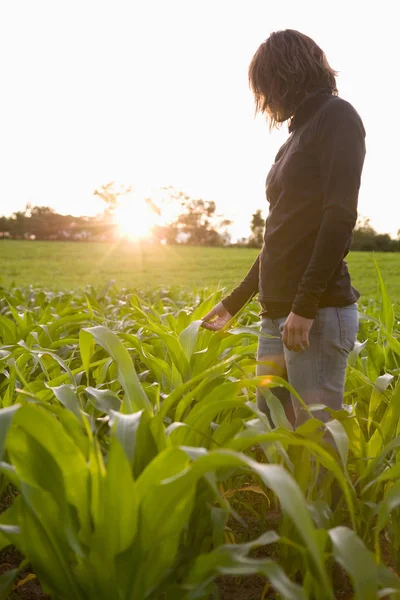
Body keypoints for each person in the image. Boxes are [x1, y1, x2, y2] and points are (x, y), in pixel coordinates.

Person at [201, 29, 366, 428]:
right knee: (275, 433)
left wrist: (305, 305)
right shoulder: (293, 140)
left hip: (315, 314)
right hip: (276, 314)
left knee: (314, 443)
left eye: (266, 87)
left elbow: (339, 216)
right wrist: (235, 301)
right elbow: (281, 233)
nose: (265, 100)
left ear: (287, 77)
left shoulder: (337, 117)